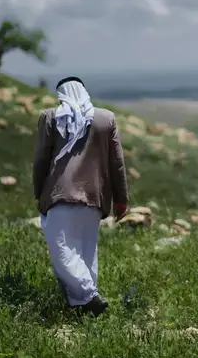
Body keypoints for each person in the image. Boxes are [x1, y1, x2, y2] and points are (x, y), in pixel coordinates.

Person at [32, 76, 129, 317]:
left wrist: (39, 192)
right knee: (86, 251)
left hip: (60, 194)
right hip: (94, 197)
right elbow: (117, 163)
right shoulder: (106, 119)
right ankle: (83, 309)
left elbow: (41, 160)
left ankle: (88, 295)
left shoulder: (51, 117)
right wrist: (121, 199)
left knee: (62, 248)